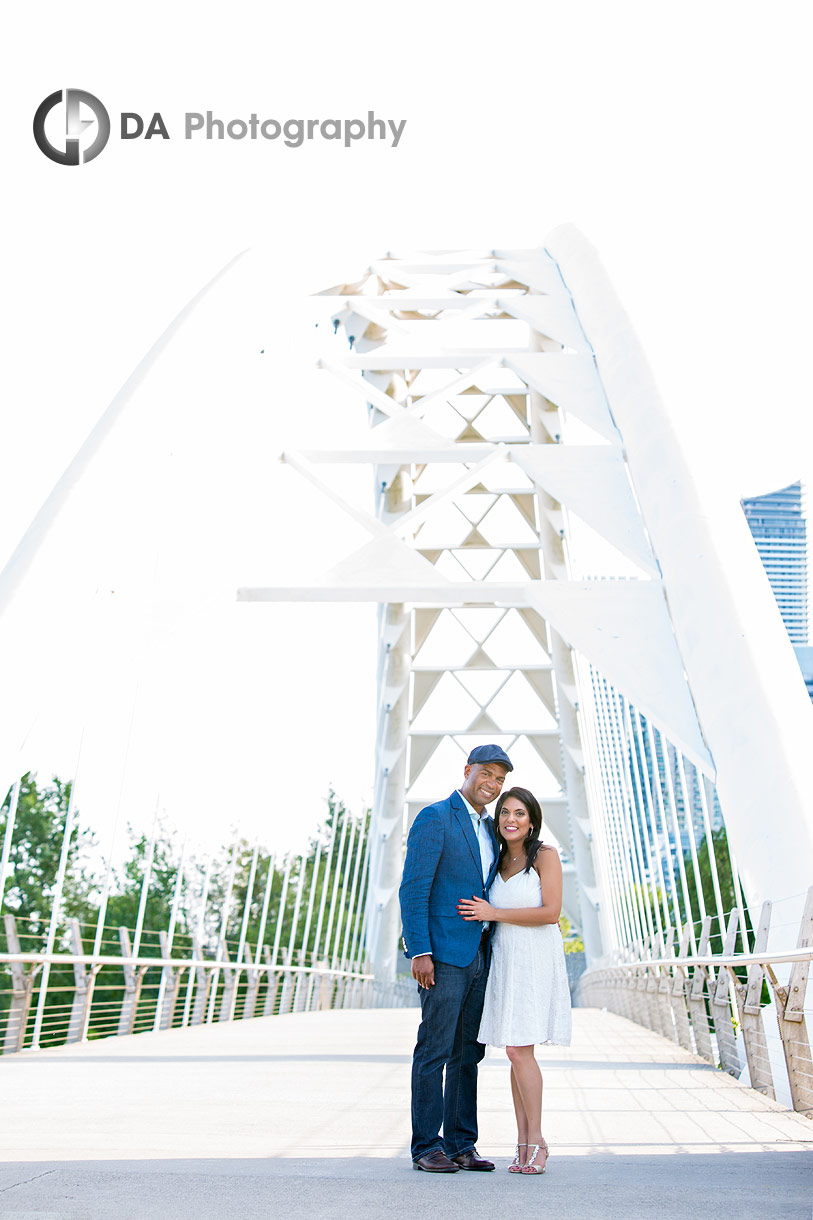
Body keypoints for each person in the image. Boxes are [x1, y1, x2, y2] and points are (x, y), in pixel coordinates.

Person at [399, 744, 513, 1173]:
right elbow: (413, 889)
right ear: (467, 770)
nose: (493, 784)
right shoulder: (435, 818)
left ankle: (461, 1143)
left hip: (481, 954)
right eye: (487, 773)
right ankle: (426, 1146)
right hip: (443, 954)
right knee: (434, 1048)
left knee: (469, 1052)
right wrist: (420, 950)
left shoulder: (490, 829)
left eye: (500, 779)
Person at [458, 786, 571, 1176]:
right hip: (505, 959)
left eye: (519, 813)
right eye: (504, 812)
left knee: (521, 1051)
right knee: (513, 1052)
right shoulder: (498, 858)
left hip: (535, 958)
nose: (510, 819)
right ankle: (522, 1142)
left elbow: (551, 912)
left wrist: (494, 912)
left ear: (532, 819)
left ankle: (537, 1141)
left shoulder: (545, 856)